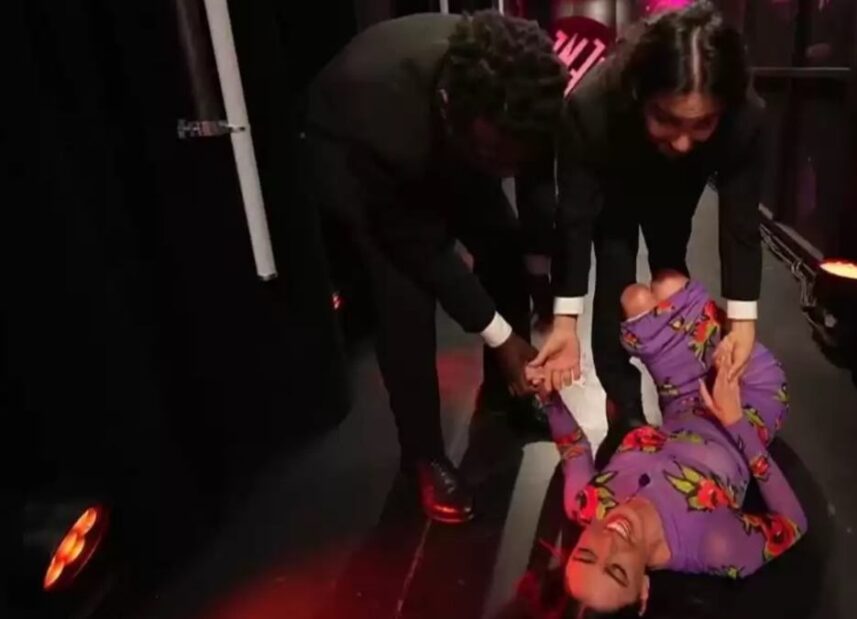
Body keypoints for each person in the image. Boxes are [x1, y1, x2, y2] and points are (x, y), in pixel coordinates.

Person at [304, 12, 566, 523]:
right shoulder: (381, 109)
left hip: (456, 141)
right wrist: (502, 337)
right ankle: (422, 455)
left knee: (504, 243)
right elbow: (421, 245)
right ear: (450, 108)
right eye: (496, 157)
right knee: (404, 296)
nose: (506, 172)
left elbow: (537, 189)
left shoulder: (531, 97)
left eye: (513, 158)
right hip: (355, 151)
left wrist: (541, 283)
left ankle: (504, 396)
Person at [526, 3, 767, 438]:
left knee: (671, 270)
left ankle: (684, 392)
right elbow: (575, 219)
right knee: (615, 274)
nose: (682, 141)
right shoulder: (592, 105)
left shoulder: (744, 115)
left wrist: (743, 322)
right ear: (639, 92)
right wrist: (564, 321)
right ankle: (624, 408)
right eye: (666, 118)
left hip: (679, 188)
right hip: (614, 176)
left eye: (702, 123)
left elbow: (741, 222)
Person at [530, 271, 806, 614]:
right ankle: (725, 327)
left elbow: (573, 446)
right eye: (617, 570)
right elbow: (792, 523)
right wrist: (735, 421)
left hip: (680, 392)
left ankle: (703, 319)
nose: (610, 541)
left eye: (587, 553)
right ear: (643, 590)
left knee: (636, 298)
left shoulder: (585, 503)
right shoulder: (714, 546)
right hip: (747, 395)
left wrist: (547, 395)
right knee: (669, 288)